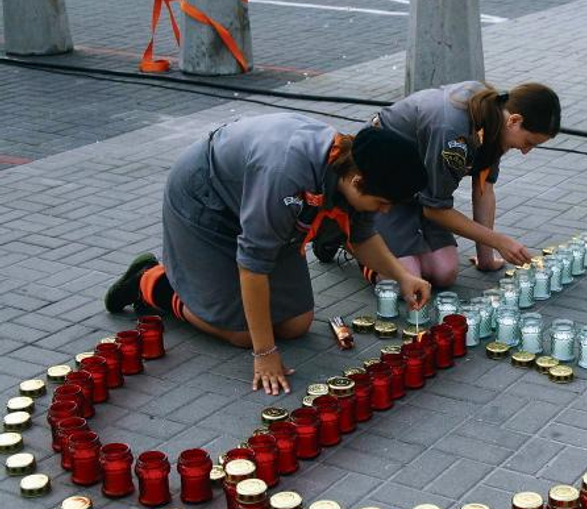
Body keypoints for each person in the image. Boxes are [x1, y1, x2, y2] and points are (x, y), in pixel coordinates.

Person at [104, 113, 432, 394]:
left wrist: (403, 277)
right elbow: (252, 267)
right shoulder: (286, 176)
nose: (386, 212)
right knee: (241, 333)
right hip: (207, 202)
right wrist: (264, 352)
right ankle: (152, 282)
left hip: (262, 208)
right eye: (383, 204)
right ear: (358, 182)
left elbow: (362, 237)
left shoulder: (354, 171)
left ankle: (205, 288)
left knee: (296, 324)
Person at [356, 81, 561, 287]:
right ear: (515, 120)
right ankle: (353, 237)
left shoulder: (496, 118)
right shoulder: (453, 132)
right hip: (383, 187)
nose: (525, 151)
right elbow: (435, 210)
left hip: (421, 188)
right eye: (529, 143)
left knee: (444, 274)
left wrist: (486, 259)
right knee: (405, 279)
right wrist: (499, 241)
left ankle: (396, 242)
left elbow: (483, 189)